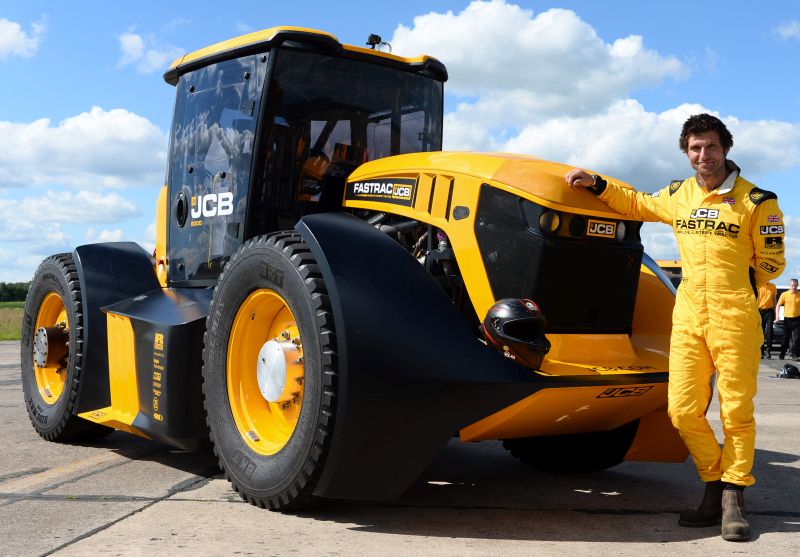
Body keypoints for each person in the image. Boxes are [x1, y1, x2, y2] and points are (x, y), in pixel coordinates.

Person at [565, 113, 786, 542]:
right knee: (682, 411)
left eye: (711, 146)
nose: (704, 155)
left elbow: (773, 263)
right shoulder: (677, 194)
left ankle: (732, 497)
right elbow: (636, 204)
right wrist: (596, 183)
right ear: (687, 154)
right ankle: (714, 480)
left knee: (736, 412)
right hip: (687, 317)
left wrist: (742, 292)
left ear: (726, 149)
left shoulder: (757, 201)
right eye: (695, 148)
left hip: (735, 316)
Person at [776, 278, 800, 361]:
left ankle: (794, 355)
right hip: (787, 320)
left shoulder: (799, 295)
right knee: (785, 338)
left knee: (796, 339)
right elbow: (778, 305)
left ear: (797, 285)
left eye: (795, 285)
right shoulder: (784, 294)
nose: (794, 287)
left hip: (797, 320)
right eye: (792, 285)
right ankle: (782, 354)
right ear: (790, 285)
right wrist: (777, 316)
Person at [758, 282, 777, 358]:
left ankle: (768, 351)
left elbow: (774, 299)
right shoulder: (758, 286)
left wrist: (775, 312)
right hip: (759, 311)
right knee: (760, 332)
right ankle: (761, 351)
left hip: (769, 311)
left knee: (769, 331)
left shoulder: (772, 286)